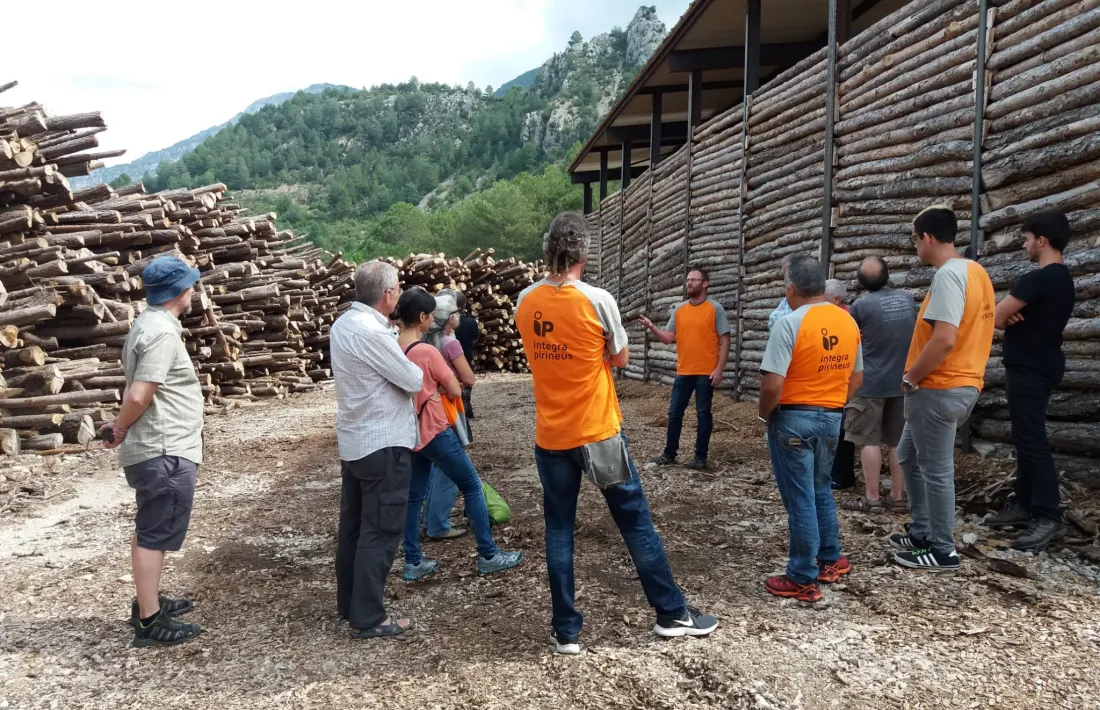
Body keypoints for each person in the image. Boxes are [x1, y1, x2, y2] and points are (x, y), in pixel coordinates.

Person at [516, 211, 718, 654]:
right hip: (598, 430)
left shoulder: (524, 300)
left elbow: (538, 354)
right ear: (584, 254)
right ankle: (671, 614)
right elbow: (621, 358)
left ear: (548, 247)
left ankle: (565, 631)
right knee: (635, 522)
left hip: (551, 436)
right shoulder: (597, 299)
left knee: (558, 530)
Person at [103, 256, 205, 647]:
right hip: (164, 447)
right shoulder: (162, 332)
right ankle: (148, 620)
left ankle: (147, 601)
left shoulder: (147, 325)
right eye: (191, 285)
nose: (194, 291)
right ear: (179, 292)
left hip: (158, 447)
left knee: (151, 528)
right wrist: (121, 425)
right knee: (154, 532)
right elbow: (140, 393)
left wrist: (120, 426)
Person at [890, 205, 995, 571]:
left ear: (928, 238)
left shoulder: (949, 276)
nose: (915, 246)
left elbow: (945, 339)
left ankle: (941, 548)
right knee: (908, 455)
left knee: (936, 469)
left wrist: (911, 376)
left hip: (938, 387)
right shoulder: (975, 271)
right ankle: (922, 530)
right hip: (959, 384)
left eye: (915, 239)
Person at [393, 288, 522, 580]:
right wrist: (437, 388)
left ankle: (413, 561)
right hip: (436, 430)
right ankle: (488, 555)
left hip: (409, 433)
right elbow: (456, 388)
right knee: (472, 486)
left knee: (414, 497)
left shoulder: (391, 347)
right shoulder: (427, 351)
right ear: (424, 317)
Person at [758, 256, 864, 603]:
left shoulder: (789, 323)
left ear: (790, 289)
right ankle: (830, 560)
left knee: (800, 497)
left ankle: (802, 576)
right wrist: (833, 403)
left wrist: (764, 415)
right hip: (832, 417)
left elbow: (772, 384)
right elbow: (858, 377)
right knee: (821, 489)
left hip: (793, 418)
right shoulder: (847, 323)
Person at [330, 261, 423, 640]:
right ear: (387, 294)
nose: (398, 294)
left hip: (355, 441)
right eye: (397, 289)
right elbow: (412, 379)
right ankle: (368, 617)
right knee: (381, 529)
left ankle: (350, 602)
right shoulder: (373, 331)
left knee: (353, 528)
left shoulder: (342, 325)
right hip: (383, 442)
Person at [987, 212, 1074, 550]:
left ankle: (1048, 516)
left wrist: (1005, 318)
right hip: (1042, 364)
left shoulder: (1037, 280)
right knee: (1026, 438)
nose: (1024, 245)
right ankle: (1024, 503)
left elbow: (993, 316)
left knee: (1032, 440)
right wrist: (1009, 318)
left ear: (1042, 240)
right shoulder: (1062, 279)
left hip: (1029, 368)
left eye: (1026, 239)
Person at [840, 257, 917, 514]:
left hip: (869, 383)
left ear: (861, 282)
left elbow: (849, 339)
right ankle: (898, 498)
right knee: (897, 442)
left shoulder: (861, 305)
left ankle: (872, 499)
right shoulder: (907, 299)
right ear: (887, 275)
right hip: (902, 382)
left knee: (868, 440)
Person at [639, 268, 731, 470]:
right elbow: (667, 339)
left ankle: (700, 457)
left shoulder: (715, 308)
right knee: (674, 413)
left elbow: (725, 340)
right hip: (684, 371)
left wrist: (719, 369)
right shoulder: (679, 309)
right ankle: (669, 454)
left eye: (694, 280)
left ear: (705, 284)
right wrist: (652, 327)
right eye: (687, 279)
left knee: (703, 413)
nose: (689, 283)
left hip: (706, 372)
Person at [422, 291, 476, 540]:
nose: (459, 315)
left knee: (437, 467)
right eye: (455, 312)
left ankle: (430, 519)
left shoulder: (427, 340)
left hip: (431, 409)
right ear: (449, 319)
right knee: (450, 471)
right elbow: (468, 378)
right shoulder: (450, 343)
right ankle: (438, 525)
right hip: (449, 409)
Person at [824, 278, 857, 489]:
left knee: (841, 430)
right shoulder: (844, 315)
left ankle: (841, 476)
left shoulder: (845, 318)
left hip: (842, 380)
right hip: (838, 379)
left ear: (836, 299)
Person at [768, 255, 796, 330]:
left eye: (788, 273)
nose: (786, 278)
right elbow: (772, 320)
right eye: (784, 274)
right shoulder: (786, 301)